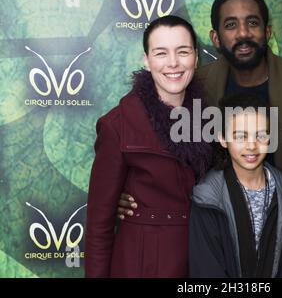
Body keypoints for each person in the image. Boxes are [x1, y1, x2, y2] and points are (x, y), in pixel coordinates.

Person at [117, 0, 282, 218]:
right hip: (213, 231)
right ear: (216, 38)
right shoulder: (191, 87)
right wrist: (128, 189)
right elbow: (149, 146)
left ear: (268, 32)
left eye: (252, 23)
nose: (243, 33)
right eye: (231, 25)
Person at [85, 16, 212, 277]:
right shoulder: (117, 124)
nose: (173, 63)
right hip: (143, 263)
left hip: (202, 256)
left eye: (183, 52)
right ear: (147, 60)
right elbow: (99, 225)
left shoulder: (209, 117)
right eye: (161, 53)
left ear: (196, 58)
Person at [189, 93, 282, 277]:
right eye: (240, 136)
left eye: (261, 135)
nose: (251, 146)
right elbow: (206, 269)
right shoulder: (207, 196)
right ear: (223, 139)